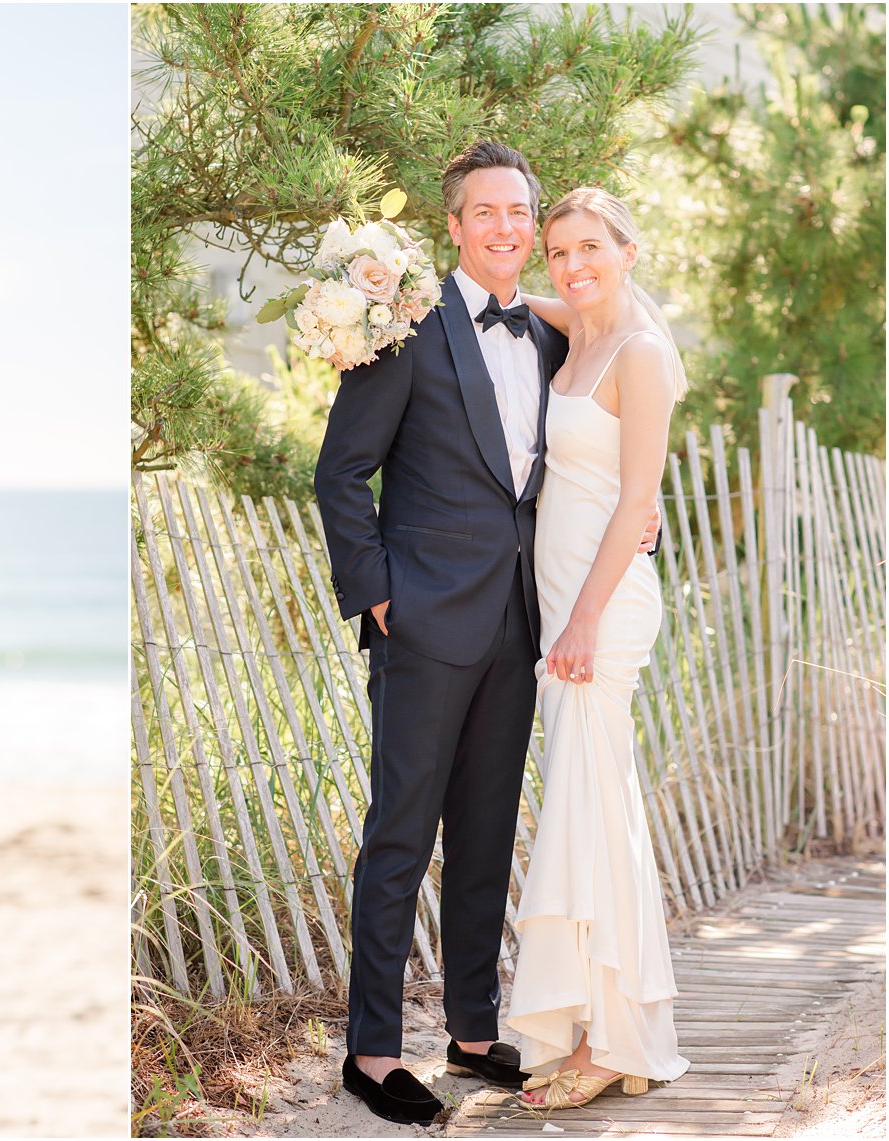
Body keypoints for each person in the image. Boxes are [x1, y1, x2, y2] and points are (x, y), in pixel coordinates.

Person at [313, 141, 658, 1126]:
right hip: (422, 622)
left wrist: (646, 505)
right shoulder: (404, 330)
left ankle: (472, 1032)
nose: (506, 228)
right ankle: (372, 1052)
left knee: (485, 834)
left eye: (520, 213)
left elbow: (606, 435)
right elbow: (340, 474)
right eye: (487, 213)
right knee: (398, 834)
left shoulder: (555, 337)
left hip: (519, 621)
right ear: (455, 227)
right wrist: (379, 596)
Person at [506, 187, 691, 1108]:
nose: (572, 266)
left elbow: (637, 503)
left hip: (603, 608)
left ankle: (614, 1039)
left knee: (597, 806)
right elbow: (517, 301)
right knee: (582, 805)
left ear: (628, 248)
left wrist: (579, 619)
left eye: (590, 248)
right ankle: (594, 1023)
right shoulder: (576, 334)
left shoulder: (641, 355)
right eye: (558, 252)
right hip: (566, 603)